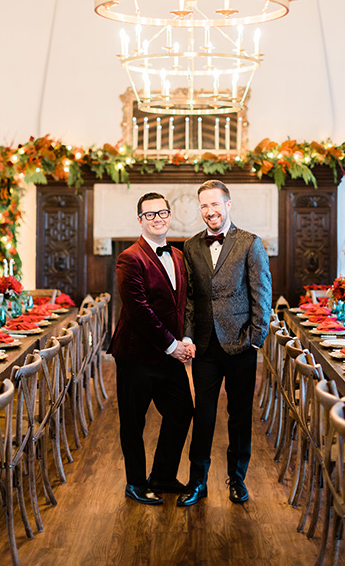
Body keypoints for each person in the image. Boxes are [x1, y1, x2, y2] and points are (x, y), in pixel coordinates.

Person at [177, 180, 272, 506]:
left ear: (228, 204)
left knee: (239, 416)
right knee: (202, 415)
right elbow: (190, 299)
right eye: (204, 205)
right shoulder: (190, 247)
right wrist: (187, 335)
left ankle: (237, 478)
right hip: (204, 347)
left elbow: (262, 295)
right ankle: (198, 481)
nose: (210, 211)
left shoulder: (250, 243)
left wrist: (255, 341)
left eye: (215, 204)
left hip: (241, 346)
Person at [109, 191, 195, 505]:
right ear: (140, 220)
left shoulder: (179, 255)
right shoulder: (129, 257)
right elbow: (139, 310)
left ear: (170, 216)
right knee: (134, 421)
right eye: (150, 214)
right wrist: (171, 345)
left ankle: (161, 476)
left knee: (183, 410)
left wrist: (184, 338)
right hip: (135, 355)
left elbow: (181, 304)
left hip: (169, 352)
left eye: (162, 213)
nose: (157, 219)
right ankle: (135, 483)